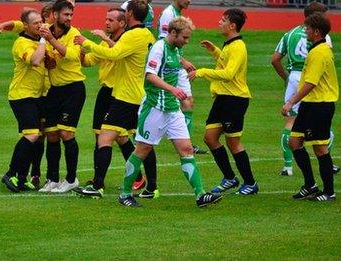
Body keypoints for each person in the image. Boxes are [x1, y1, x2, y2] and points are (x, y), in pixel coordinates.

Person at [118, 17, 223, 207]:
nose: (186, 41)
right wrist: (172, 89)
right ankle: (125, 194)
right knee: (142, 150)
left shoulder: (176, 49)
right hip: (154, 108)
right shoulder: (159, 48)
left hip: (172, 109)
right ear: (173, 33)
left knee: (186, 149)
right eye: (185, 37)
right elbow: (150, 76)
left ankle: (200, 195)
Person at [74, 0, 156, 198]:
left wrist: (86, 42)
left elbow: (115, 53)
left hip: (126, 96)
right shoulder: (146, 35)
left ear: (129, 15)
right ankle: (151, 187)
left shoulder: (133, 35)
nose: (108, 22)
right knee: (142, 142)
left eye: (123, 13)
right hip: (132, 94)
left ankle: (98, 186)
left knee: (106, 138)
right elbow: (114, 53)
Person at [190, 8, 258, 195]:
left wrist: (202, 72)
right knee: (210, 138)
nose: (219, 22)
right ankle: (229, 178)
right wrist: (215, 51)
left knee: (233, 143)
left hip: (235, 100)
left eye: (223, 20)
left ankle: (251, 183)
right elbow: (225, 62)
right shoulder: (229, 45)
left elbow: (228, 74)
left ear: (232, 25)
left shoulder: (237, 47)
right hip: (223, 99)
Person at [271, 1, 339, 176]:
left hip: (294, 77)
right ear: (316, 17)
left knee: (291, 122)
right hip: (313, 81)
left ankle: (288, 166)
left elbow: (275, 59)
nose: (327, 19)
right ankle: (327, 163)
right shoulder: (322, 36)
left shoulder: (289, 34)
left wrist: (287, 77)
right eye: (324, 15)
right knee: (322, 127)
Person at [38, 0, 86, 193]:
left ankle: (72, 179)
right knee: (51, 134)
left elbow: (71, 55)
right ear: (55, 14)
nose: (69, 19)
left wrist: (50, 40)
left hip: (73, 89)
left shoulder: (74, 34)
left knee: (66, 133)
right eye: (66, 15)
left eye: (71, 15)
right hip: (55, 90)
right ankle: (52, 179)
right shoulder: (45, 31)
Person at [0, 10, 47, 193]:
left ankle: (21, 178)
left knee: (33, 137)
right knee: (32, 135)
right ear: (26, 26)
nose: (40, 25)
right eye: (35, 23)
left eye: (41, 21)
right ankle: (10, 173)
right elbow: (35, 60)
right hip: (22, 95)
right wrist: (44, 40)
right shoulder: (22, 43)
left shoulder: (34, 34)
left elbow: (20, 23)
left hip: (36, 96)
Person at [156, 0, 207, 155]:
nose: (190, 0)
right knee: (168, 102)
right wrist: (182, 61)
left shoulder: (176, 13)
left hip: (176, 64)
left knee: (187, 102)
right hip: (172, 66)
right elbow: (165, 43)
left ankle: (186, 143)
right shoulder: (169, 14)